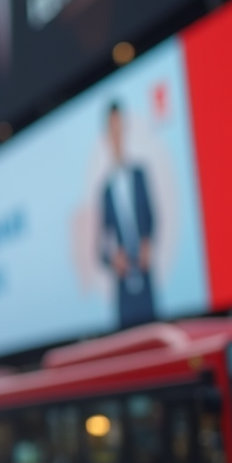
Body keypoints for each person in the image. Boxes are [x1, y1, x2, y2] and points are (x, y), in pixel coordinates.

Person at [99, 102, 157, 329]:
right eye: (112, 130)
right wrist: (113, 258)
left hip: (146, 279)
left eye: (119, 128)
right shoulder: (104, 191)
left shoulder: (140, 174)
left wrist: (147, 243)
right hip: (123, 292)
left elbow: (152, 218)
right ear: (107, 135)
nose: (116, 135)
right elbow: (101, 247)